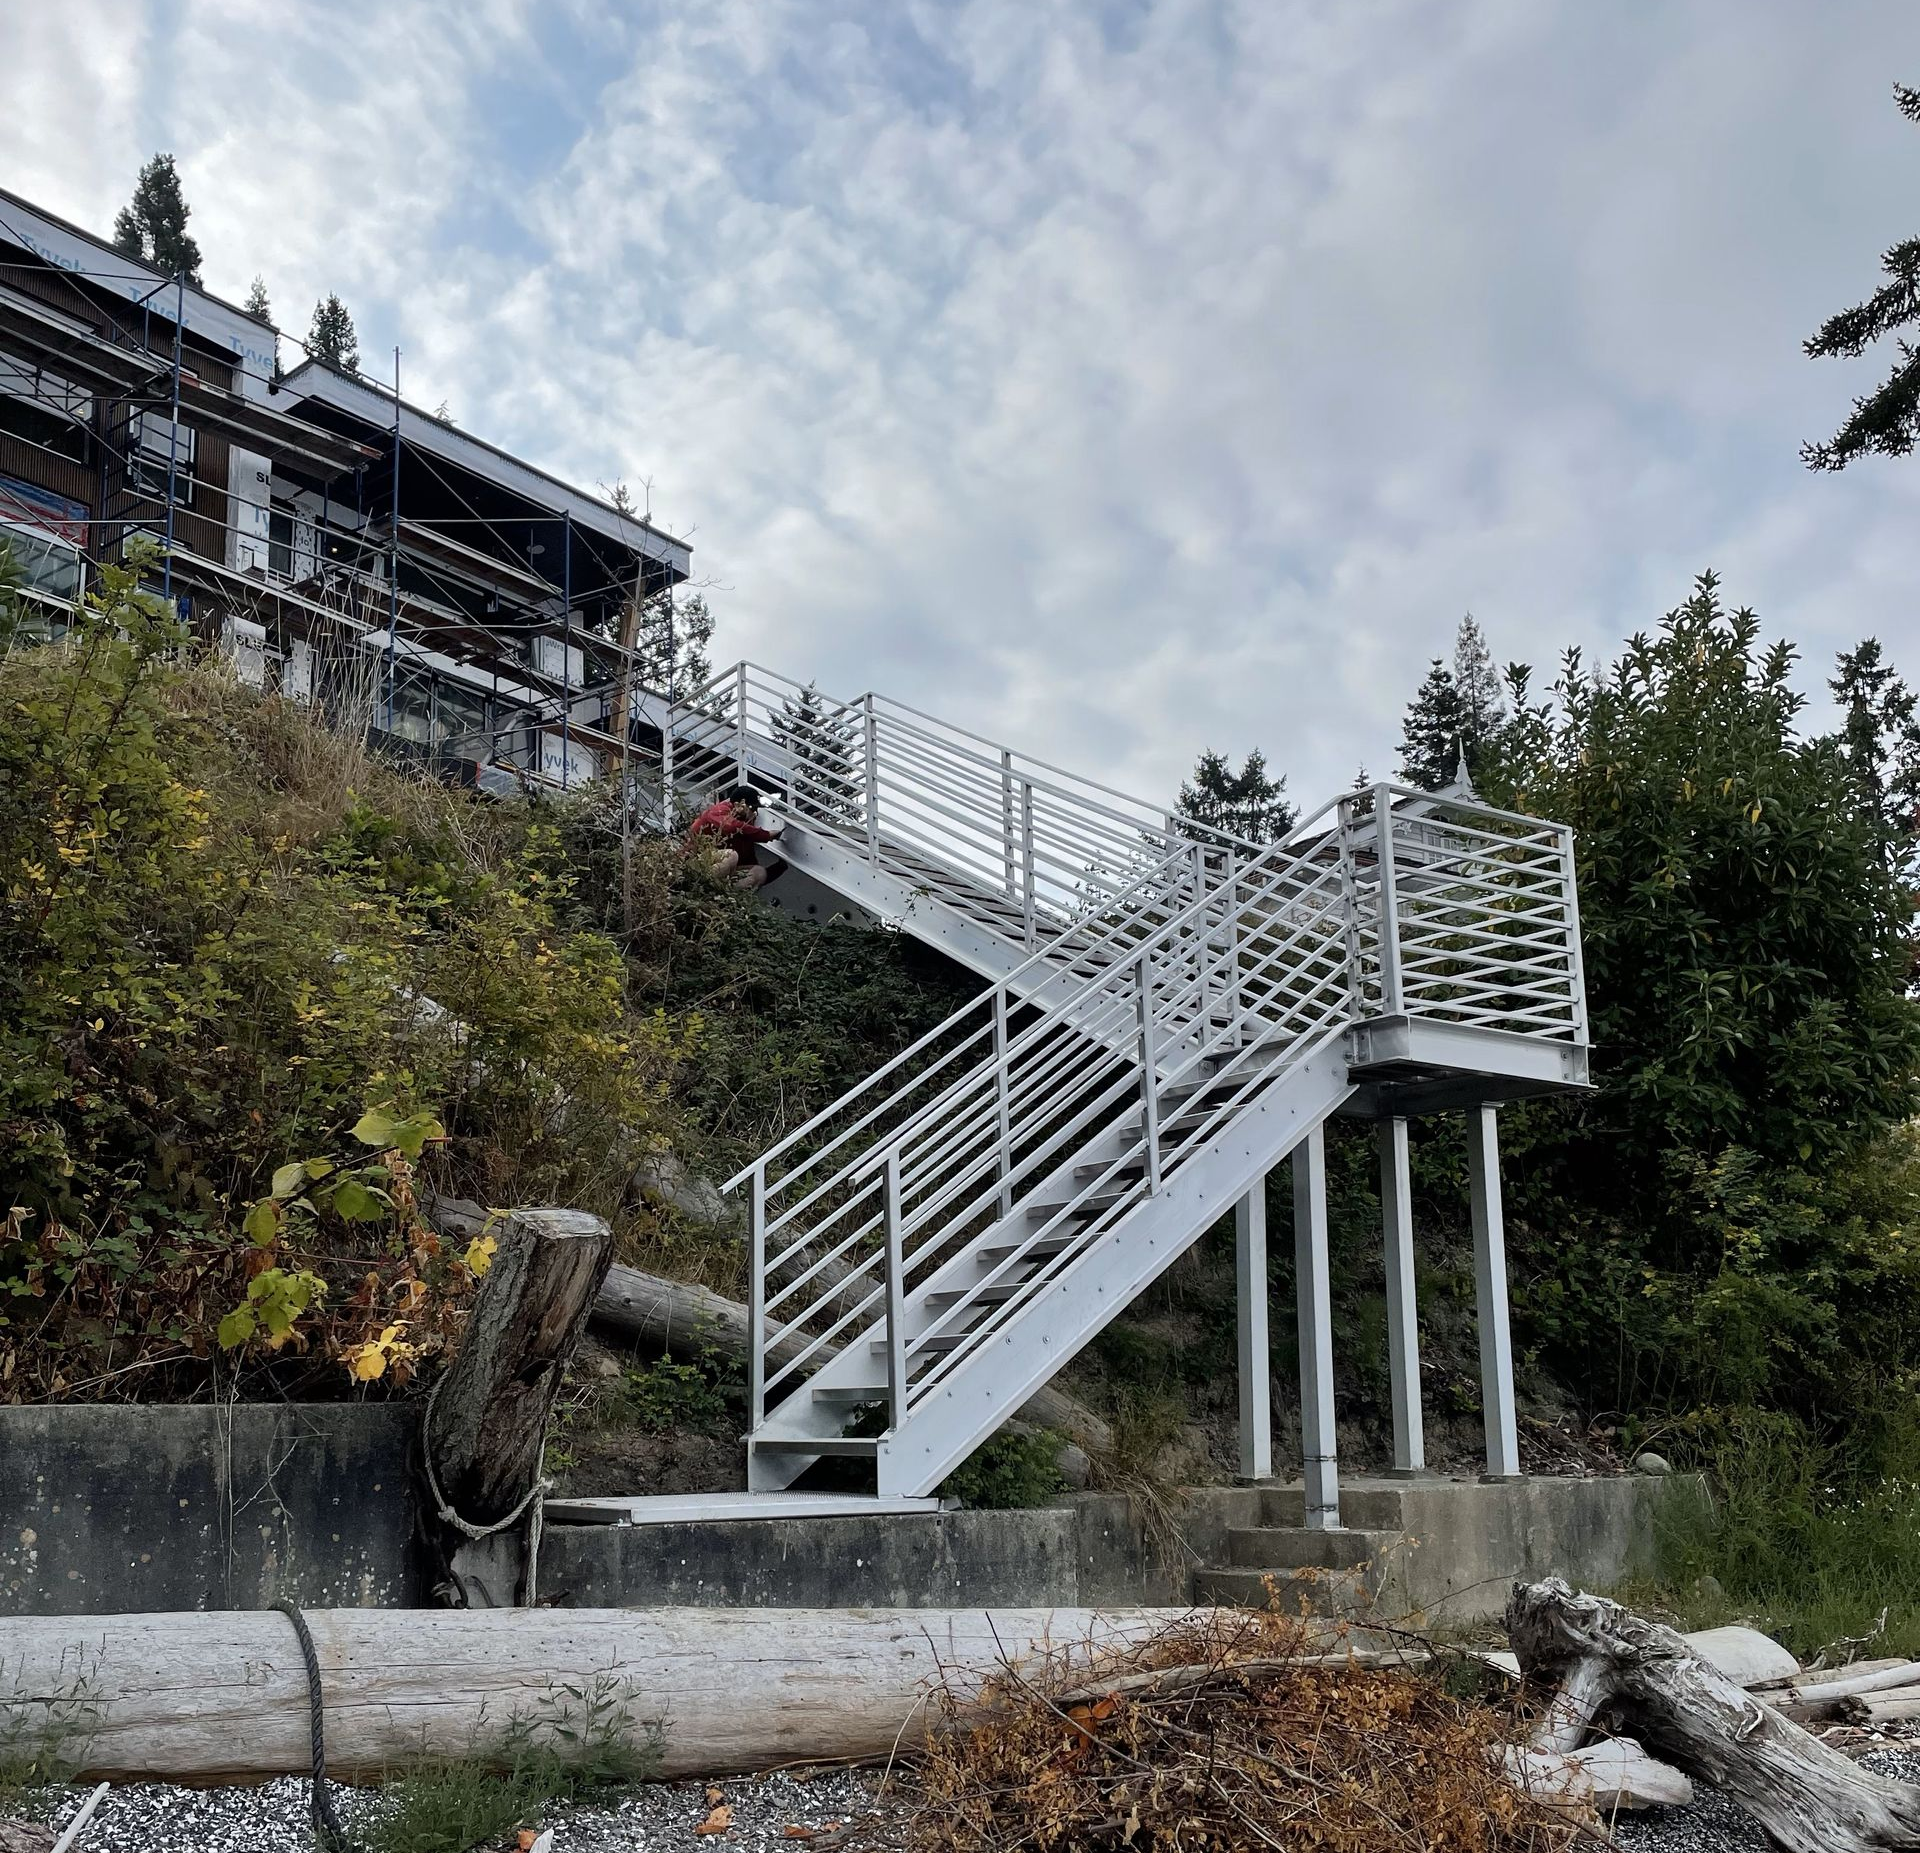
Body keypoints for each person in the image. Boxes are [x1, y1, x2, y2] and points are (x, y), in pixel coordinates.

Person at [686, 785, 787, 889]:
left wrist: (780, 867)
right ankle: (704, 886)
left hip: (719, 869)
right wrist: (766, 835)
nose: (755, 813)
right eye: (753, 808)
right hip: (695, 861)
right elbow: (729, 826)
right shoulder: (720, 809)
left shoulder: (743, 828)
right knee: (731, 855)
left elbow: (748, 858)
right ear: (742, 804)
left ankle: (725, 896)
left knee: (759, 872)